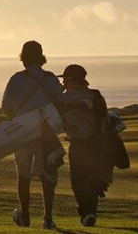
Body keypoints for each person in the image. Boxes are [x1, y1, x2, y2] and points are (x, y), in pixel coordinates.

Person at [1, 41, 64, 230]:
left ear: (23, 58)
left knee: (23, 175)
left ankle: (25, 216)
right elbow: (61, 101)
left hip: (22, 131)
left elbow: (6, 107)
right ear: (41, 56)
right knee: (48, 174)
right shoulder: (50, 78)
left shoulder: (16, 79)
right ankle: (48, 218)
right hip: (46, 131)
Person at [58, 64, 109, 227]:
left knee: (78, 181)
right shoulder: (96, 95)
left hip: (80, 144)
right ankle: (89, 213)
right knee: (92, 179)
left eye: (65, 79)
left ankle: (86, 213)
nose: (63, 83)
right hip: (98, 143)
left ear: (73, 80)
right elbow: (104, 119)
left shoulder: (68, 98)